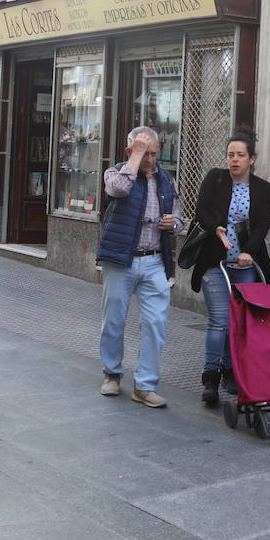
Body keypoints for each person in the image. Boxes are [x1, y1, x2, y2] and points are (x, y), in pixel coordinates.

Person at [189, 131, 270, 407]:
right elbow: (200, 211)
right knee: (220, 321)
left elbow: (262, 225)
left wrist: (249, 252)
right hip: (215, 263)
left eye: (240, 155)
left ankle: (231, 370)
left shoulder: (264, 189)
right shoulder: (215, 179)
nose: (234, 160)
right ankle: (211, 376)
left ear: (251, 159)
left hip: (245, 264)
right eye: (231, 155)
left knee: (239, 323)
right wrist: (216, 227)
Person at [97, 125, 181, 408]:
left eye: (154, 154)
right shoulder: (116, 173)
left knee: (156, 323)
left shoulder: (166, 181)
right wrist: (136, 157)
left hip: (155, 260)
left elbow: (179, 218)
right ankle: (111, 373)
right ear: (129, 151)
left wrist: (174, 223)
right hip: (122, 259)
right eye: (145, 153)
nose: (151, 160)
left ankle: (145, 385)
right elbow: (118, 190)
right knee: (114, 320)